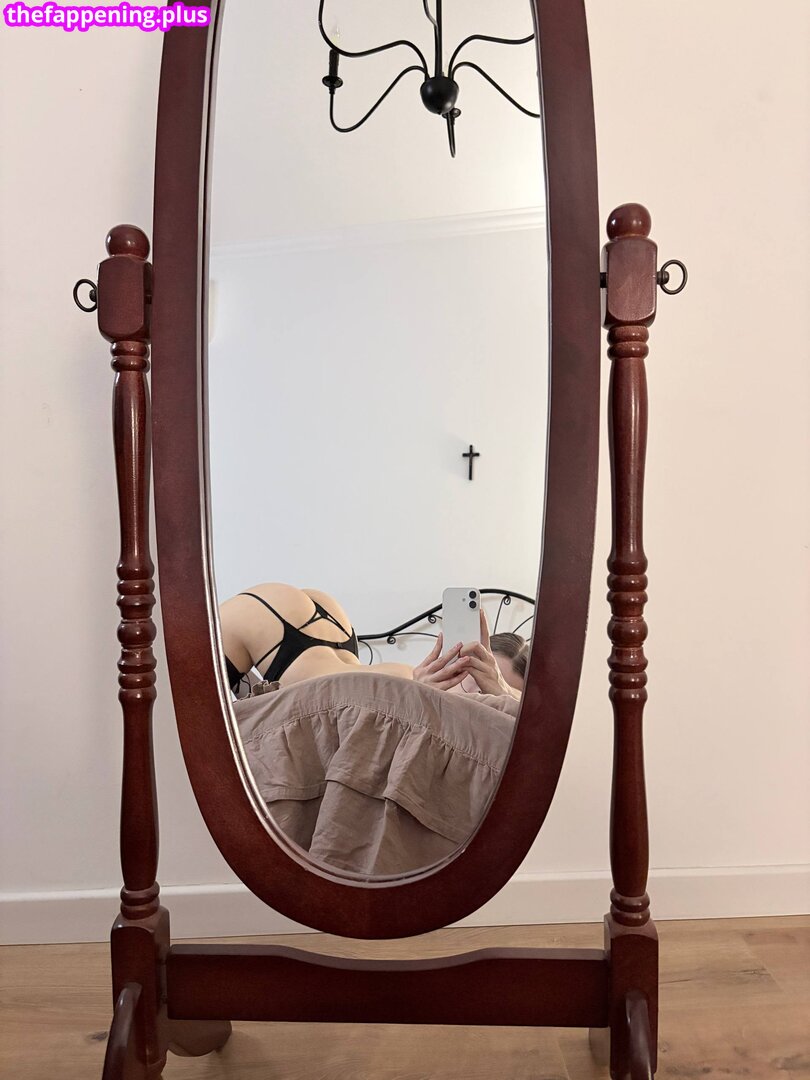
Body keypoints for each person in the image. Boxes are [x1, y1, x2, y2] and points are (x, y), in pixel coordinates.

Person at [219, 582, 524, 699]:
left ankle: (254, 700)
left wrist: (501, 690)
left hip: (304, 642)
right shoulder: (418, 681)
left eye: (490, 690)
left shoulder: (427, 696)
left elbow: (532, 719)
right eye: (477, 676)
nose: (480, 695)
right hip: (276, 621)